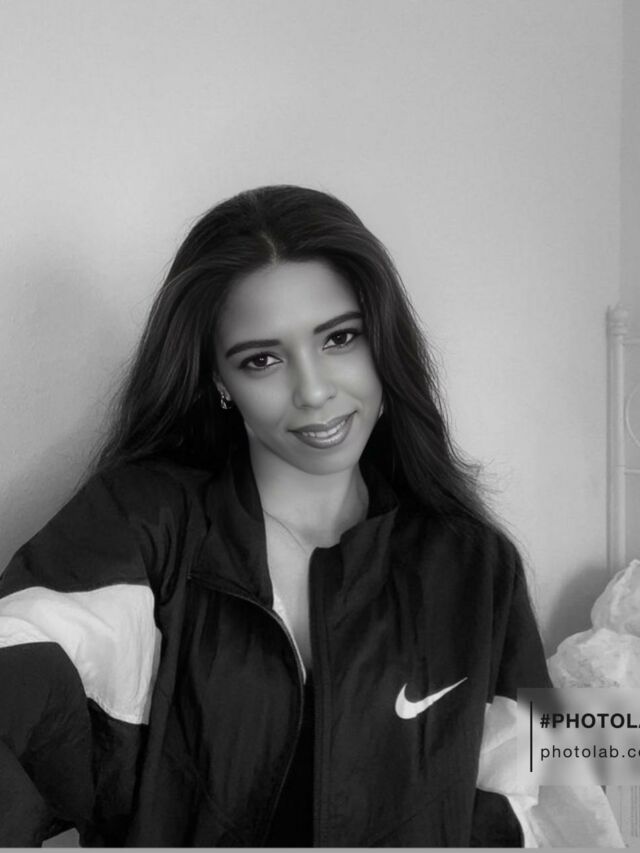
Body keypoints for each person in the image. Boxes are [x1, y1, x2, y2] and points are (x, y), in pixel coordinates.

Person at [0, 186, 623, 847]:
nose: (315, 389)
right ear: (219, 381)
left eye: (340, 338)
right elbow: (21, 676)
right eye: (261, 359)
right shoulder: (143, 523)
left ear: (383, 341)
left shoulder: (475, 563)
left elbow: (556, 803)